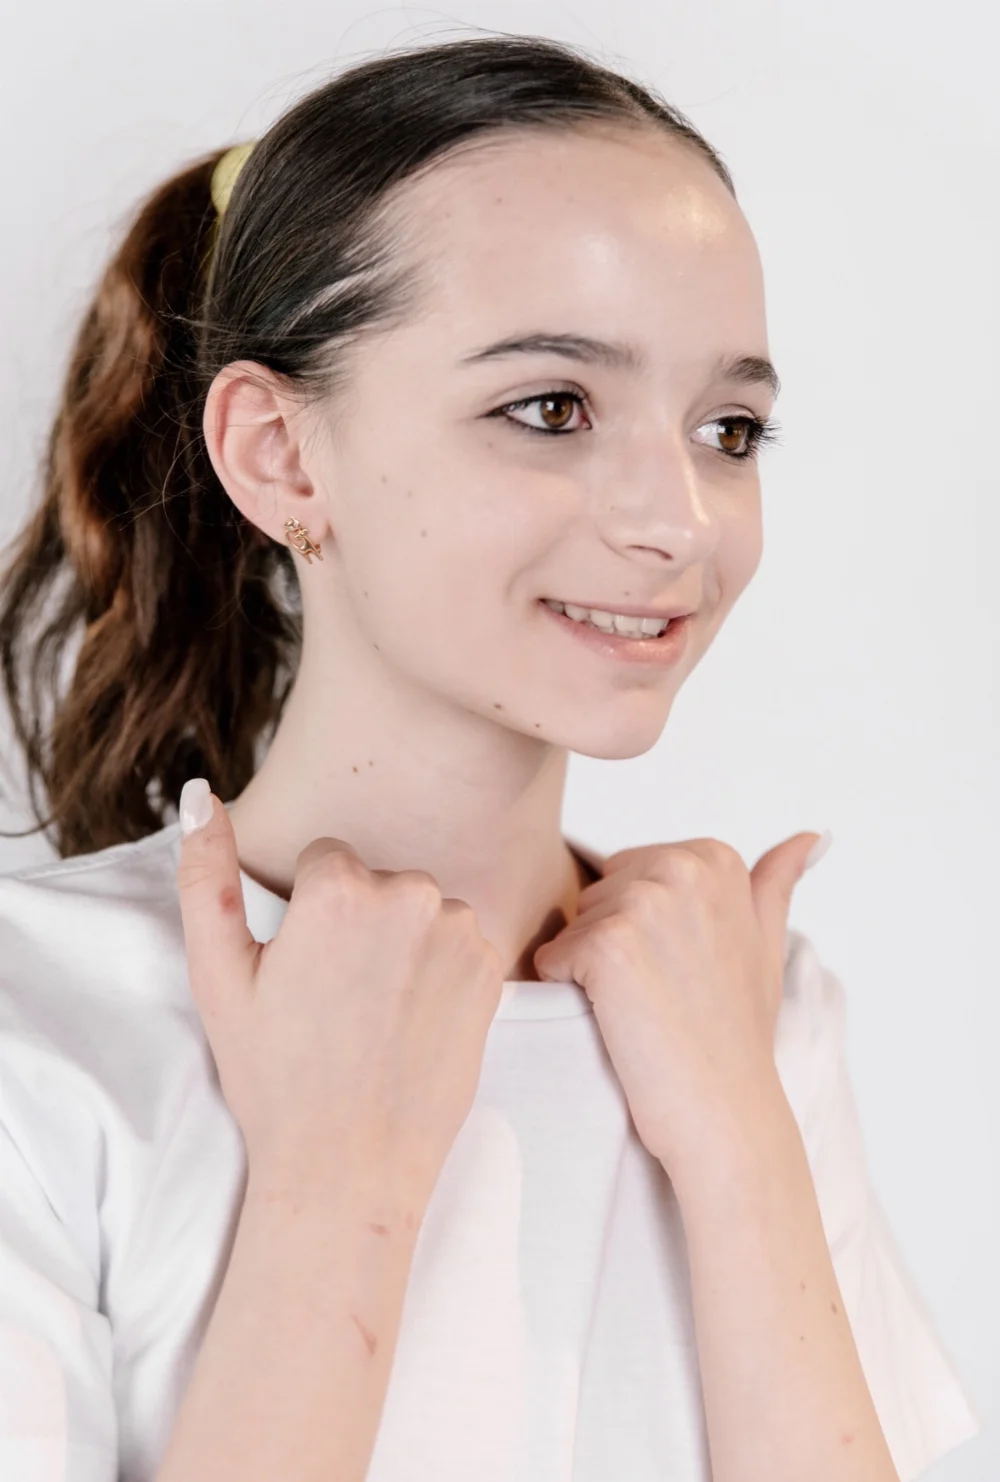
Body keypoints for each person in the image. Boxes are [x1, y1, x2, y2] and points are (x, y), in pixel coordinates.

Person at [0, 32, 981, 1482]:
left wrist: (740, 1147)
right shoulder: (40, 1026)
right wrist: (338, 1187)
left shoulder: (752, 1006)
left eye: (729, 428)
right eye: (552, 408)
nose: (680, 521)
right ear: (279, 453)